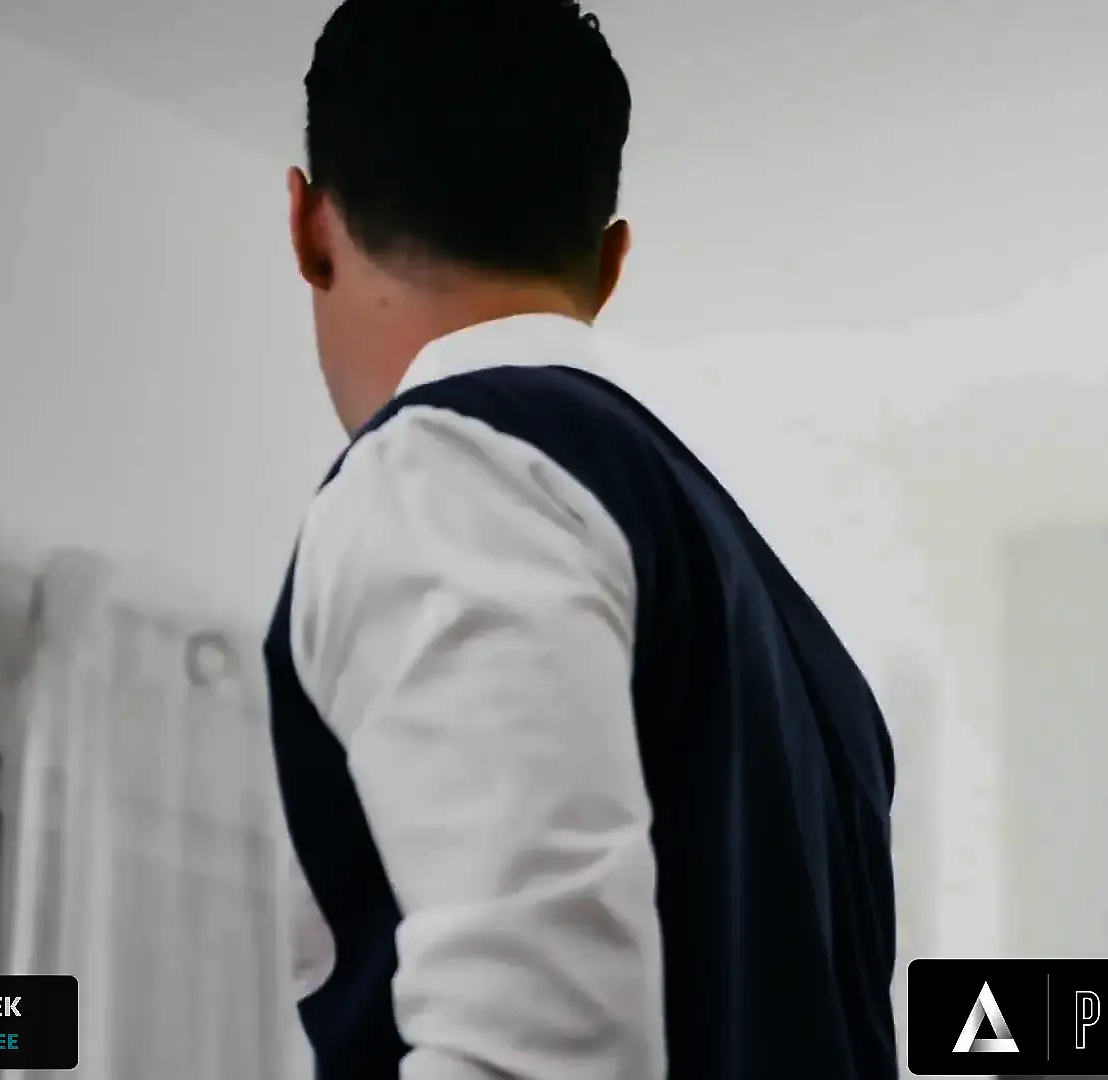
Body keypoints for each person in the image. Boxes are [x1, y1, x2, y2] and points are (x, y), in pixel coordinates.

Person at [263, 1, 899, 1077]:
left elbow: (533, 1045)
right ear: (609, 264)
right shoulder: (794, 637)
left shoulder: (445, 476)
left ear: (310, 227)